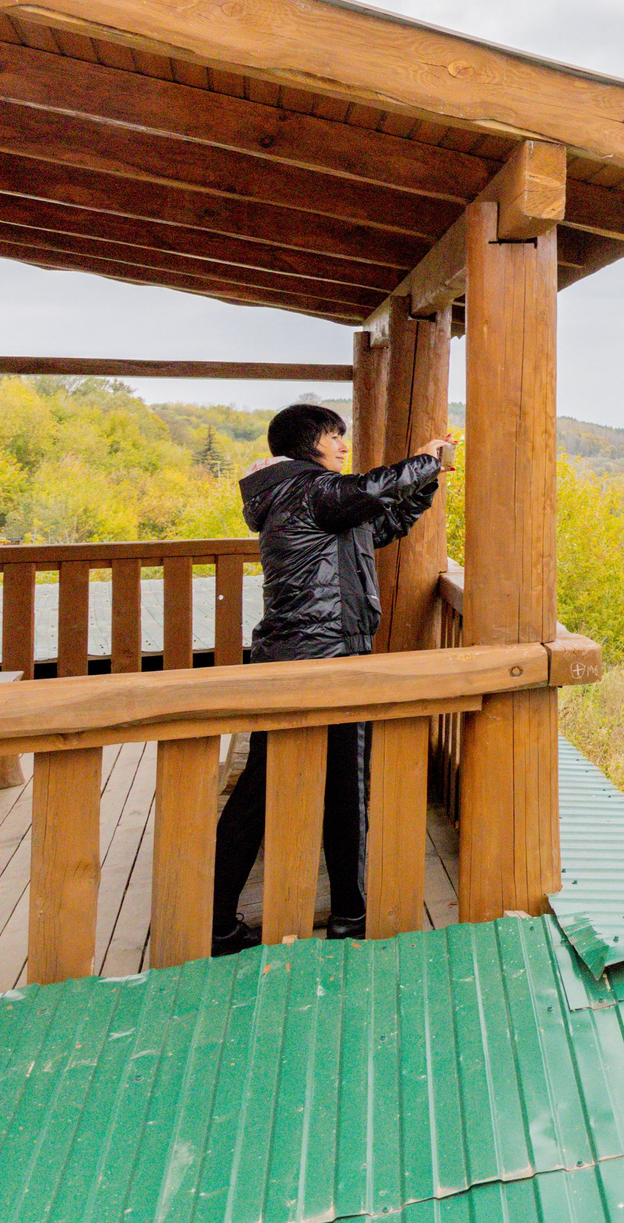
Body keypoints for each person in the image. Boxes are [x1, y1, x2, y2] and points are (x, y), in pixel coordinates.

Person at [211, 403, 449, 953]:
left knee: (260, 789)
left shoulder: (296, 495)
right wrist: (425, 461)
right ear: (307, 442)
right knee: (347, 788)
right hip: (327, 655)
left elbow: (382, 523)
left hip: (293, 654)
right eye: (334, 435)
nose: (343, 445)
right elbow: (368, 490)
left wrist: (425, 484)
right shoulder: (309, 488)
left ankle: (216, 921)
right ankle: (350, 918)